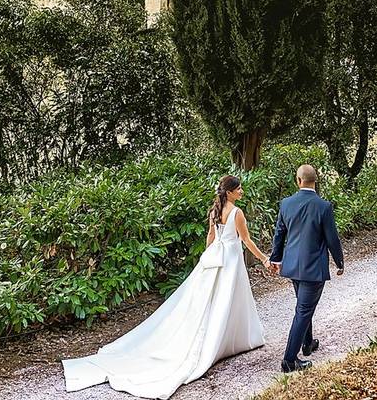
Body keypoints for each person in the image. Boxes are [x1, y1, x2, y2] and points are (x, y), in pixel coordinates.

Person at [62, 175, 269, 399]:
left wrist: (206, 259)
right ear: (229, 192)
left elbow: (211, 236)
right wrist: (265, 259)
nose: (242, 192)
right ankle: (226, 340)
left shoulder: (215, 210)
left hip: (215, 257)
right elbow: (246, 240)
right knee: (227, 299)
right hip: (229, 260)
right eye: (238, 189)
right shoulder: (237, 213)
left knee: (213, 300)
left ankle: (226, 340)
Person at [269, 164, 344, 372]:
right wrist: (339, 262)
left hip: (293, 266)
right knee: (303, 310)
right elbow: (332, 239)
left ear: (298, 180)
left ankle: (307, 344)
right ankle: (289, 361)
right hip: (314, 269)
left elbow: (279, 234)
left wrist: (275, 258)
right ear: (315, 181)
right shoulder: (323, 206)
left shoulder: (286, 203)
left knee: (304, 306)